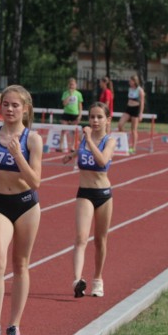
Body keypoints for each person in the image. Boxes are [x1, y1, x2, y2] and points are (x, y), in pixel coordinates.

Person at [0, 85, 43, 335]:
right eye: (6, 104)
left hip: (26, 204)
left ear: (25, 109)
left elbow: (35, 181)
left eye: (16, 105)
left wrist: (17, 155)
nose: (10, 109)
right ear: (0, 107)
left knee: (21, 264)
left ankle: (14, 326)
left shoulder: (32, 139)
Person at [64, 102, 116, 299]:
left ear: (107, 120)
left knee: (100, 240)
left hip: (103, 195)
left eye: (99, 117)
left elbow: (102, 161)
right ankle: (77, 281)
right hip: (84, 193)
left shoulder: (109, 141)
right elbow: (83, 151)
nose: (94, 120)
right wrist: (72, 154)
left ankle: (98, 279)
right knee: (80, 238)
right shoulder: (85, 140)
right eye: (92, 117)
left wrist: (87, 139)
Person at [116, 75, 145, 154]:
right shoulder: (130, 89)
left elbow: (142, 102)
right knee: (120, 124)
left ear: (134, 81)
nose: (129, 82)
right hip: (128, 109)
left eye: (130, 81)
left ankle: (133, 147)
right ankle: (124, 139)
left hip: (136, 109)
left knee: (133, 129)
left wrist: (141, 113)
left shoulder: (140, 90)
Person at [59, 77, 83, 152]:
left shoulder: (78, 94)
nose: (71, 86)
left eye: (73, 84)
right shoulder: (65, 93)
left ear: (75, 85)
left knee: (73, 131)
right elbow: (64, 103)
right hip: (66, 113)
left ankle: (72, 146)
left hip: (74, 114)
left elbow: (80, 105)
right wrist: (70, 95)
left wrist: (80, 115)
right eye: (70, 85)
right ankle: (61, 146)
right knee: (63, 130)